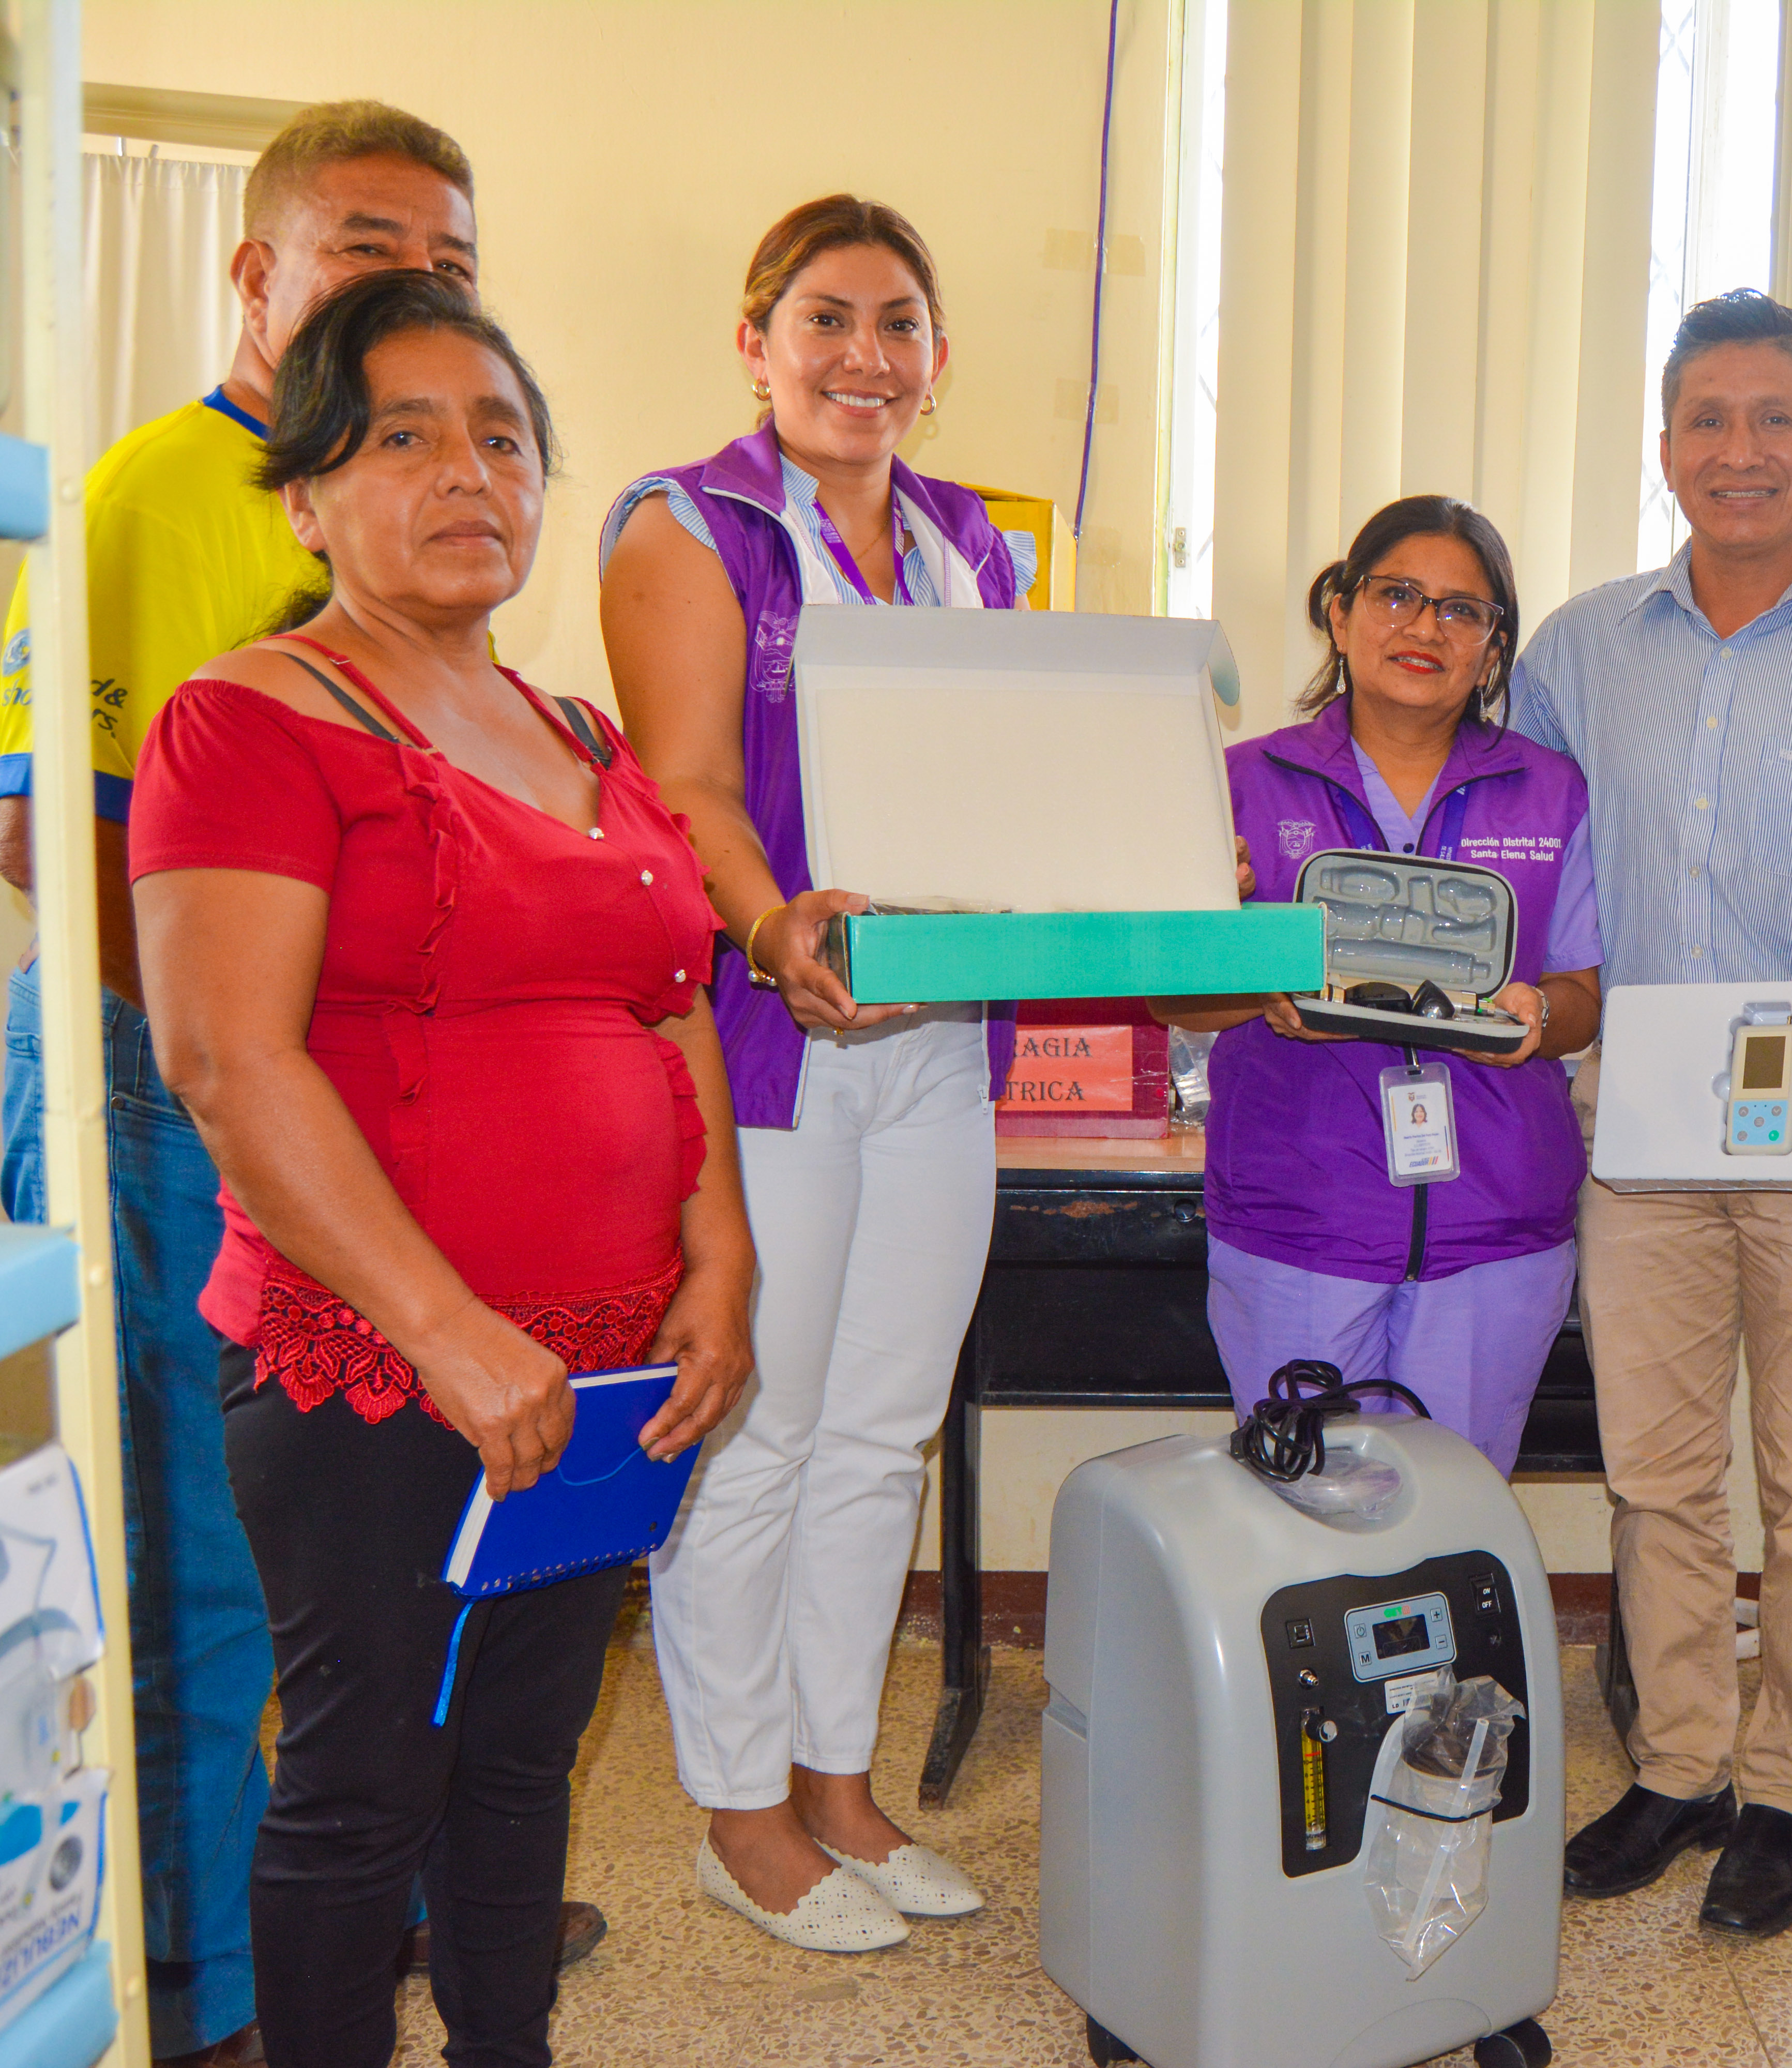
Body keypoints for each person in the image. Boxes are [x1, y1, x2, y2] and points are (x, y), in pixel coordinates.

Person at [0, 101, 596, 2067]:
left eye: (451, 257)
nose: (413, 279)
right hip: (173, 1096)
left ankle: (408, 1896)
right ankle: (219, 1991)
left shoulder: (518, 681)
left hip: (360, 1119)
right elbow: (51, 839)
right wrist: (251, 1062)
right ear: (256, 274)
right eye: (365, 244)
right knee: (223, 1586)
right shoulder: (152, 490)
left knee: (420, 1606)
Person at [131, 270, 751, 2068]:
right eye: (403, 436)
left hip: (605, 1369)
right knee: (362, 1786)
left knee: (521, 1765)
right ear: (306, 495)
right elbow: (224, 1061)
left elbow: (673, 1004)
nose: (468, 471)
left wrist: (721, 1261)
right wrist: (448, 1333)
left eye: (502, 438)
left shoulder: (584, 738)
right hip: (377, 1366)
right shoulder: (247, 720)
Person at [1513, 289, 1792, 1937]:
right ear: (1664, 449)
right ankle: (1680, 1766)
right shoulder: (1575, 652)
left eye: (1776, 418)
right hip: (1634, 1130)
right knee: (1655, 1476)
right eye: (1707, 419)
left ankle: (1790, 1794)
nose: (1740, 449)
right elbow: (1529, 873)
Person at [600, 194, 1023, 1953]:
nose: (866, 355)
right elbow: (687, 786)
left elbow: (1006, 779)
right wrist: (778, 927)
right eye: (827, 319)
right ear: (755, 341)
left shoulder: (970, 543)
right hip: (766, 1044)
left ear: (937, 358)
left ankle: (840, 1783)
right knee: (761, 1433)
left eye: (899, 323)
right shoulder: (685, 526)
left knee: (880, 1431)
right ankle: (739, 1810)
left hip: (939, 1042)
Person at [1153, 496, 1601, 1473]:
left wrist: (1538, 1014)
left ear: (1493, 649)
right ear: (1341, 611)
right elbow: (1174, 1001)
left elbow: (1582, 993)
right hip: (1298, 1223)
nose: (1424, 627)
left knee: (1458, 1511)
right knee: (1305, 1513)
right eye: (1397, 595)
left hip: (1496, 1231)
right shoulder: (1239, 783)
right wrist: (1265, 990)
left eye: (1461, 610)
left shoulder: (1551, 792)